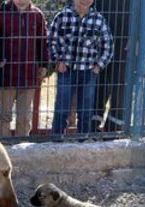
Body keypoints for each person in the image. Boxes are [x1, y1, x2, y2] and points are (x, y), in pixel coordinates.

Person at [48, 0, 113, 140]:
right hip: (66, 70)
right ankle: (56, 139)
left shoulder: (99, 19)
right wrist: (57, 61)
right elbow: (51, 41)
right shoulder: (62, 16)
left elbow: (108, 46)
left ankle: (83, 140)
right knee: (61, 109)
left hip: (89, 72)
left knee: (85, 110)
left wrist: (99, 65)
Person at [0, 0, 49, 138]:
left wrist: (44, 65)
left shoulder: (37, 15)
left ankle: (21, 144)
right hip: (6, 75)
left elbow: (43, 43)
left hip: (29, 75)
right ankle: (4, 144)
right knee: (4, 116)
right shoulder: (0, 14)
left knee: (24, 117)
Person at [91, 0, 130, 134]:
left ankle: (114, 129)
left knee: (120, 85)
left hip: (124, 40)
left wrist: (136, 36)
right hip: (96, 39)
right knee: (97, 83)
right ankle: (92, 126)